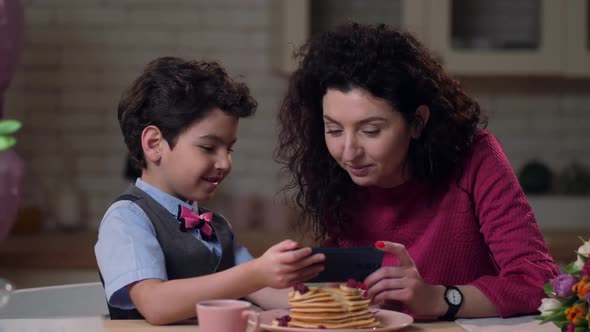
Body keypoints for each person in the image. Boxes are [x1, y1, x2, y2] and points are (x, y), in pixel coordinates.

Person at [274, 22, 559, 320]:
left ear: (418, 122)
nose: (348, 152)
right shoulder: (338, 175)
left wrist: (441, 298)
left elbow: (538, 282)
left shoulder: (476, 156)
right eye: (333, 129)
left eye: (371, 131)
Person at [95, 57, 324, 325]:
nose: (225, 163)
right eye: (208, 148)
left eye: (229, 149)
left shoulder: (217, 226)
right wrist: (255, 273)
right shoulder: (127, 218)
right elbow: (156, 304)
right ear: (154, 144)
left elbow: (261, 287)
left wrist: (337, 300)